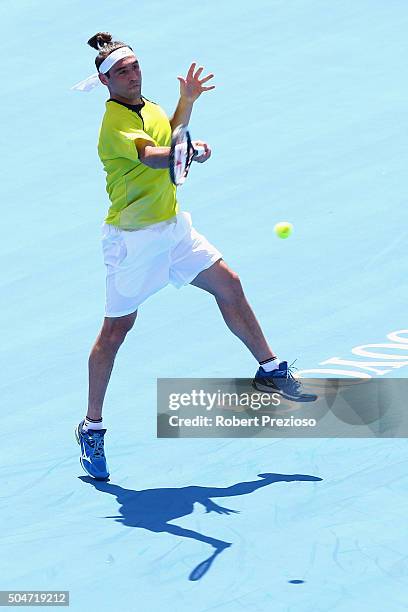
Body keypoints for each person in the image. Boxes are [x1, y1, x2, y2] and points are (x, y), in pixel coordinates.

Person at [74, 32, 316, 481]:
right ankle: (92, 426)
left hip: (173, 230)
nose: (131, 74)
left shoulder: (147, 108)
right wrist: (187, 152)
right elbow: (153, 156)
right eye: (121, 72)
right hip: (134, 242)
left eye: (134, 67)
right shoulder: (113, 124)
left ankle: (270, 368)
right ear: (105, 81)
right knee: (115, 332)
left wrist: (187, 103)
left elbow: (171, 132)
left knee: (229, 283)